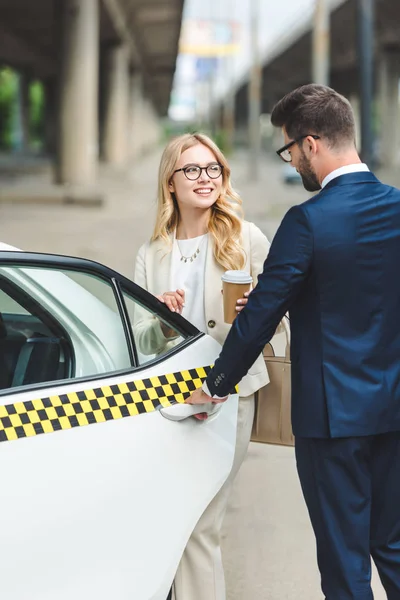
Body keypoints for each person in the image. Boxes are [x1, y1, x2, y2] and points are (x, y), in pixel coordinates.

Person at [188, 84, 400, 599]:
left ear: (310, 144)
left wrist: (215, 385)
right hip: (394, 410)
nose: (292, 161)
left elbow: (261, 315)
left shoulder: (307, 221)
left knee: (345, 564)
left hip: (332, 421)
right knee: (393, 549)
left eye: (288, 149)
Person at [133, 132, 270, 600]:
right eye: (191, 170)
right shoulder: (152, 252)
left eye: (212, 169)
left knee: (200, 525)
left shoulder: (246, 239)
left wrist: (259, 311)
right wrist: (159, 316)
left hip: (229, 394)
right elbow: (141, 338)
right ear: (170, 182)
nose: (204, 179)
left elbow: (285, 315)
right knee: (177, 521)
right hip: (173, 399)